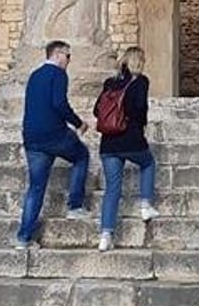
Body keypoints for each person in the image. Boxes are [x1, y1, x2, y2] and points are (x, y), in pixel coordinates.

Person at [13, 39, 91, 248]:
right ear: (57, 54)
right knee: (82, 156)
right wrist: (79, 123)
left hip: (32, 137)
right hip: (54, 134)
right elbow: (59, 103)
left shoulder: (34, 75)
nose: (69, 60)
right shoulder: (58, 74)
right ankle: (75, 206)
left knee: (36, 187)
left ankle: (24, 237)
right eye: (68, 56)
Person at [93, 46, 159, 252]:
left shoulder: (110, 83)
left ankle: (105, 235)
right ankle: (145, 205)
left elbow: (97, 110)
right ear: (139, 62)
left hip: (108, 142)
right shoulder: (140, 81)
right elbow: (139, 107)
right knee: (148, 163)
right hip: (131, 138)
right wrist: (140, 123)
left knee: (112, 189)